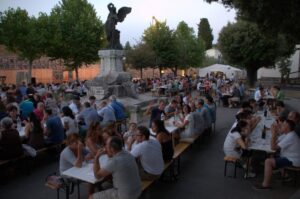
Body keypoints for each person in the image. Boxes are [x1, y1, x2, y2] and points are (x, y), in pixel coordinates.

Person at [254, 120, 300, 190]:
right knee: (272, 154)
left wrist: (274, 134)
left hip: (293, 160)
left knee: (268, 161)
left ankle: (265, 185)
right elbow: (276, 141)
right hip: (288, 156)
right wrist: (275, 133)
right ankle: (285, 176)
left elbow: (273, 147)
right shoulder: (287, 134)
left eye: (283, 125)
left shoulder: (291, 136)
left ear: (287, 128)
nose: (281, 126)